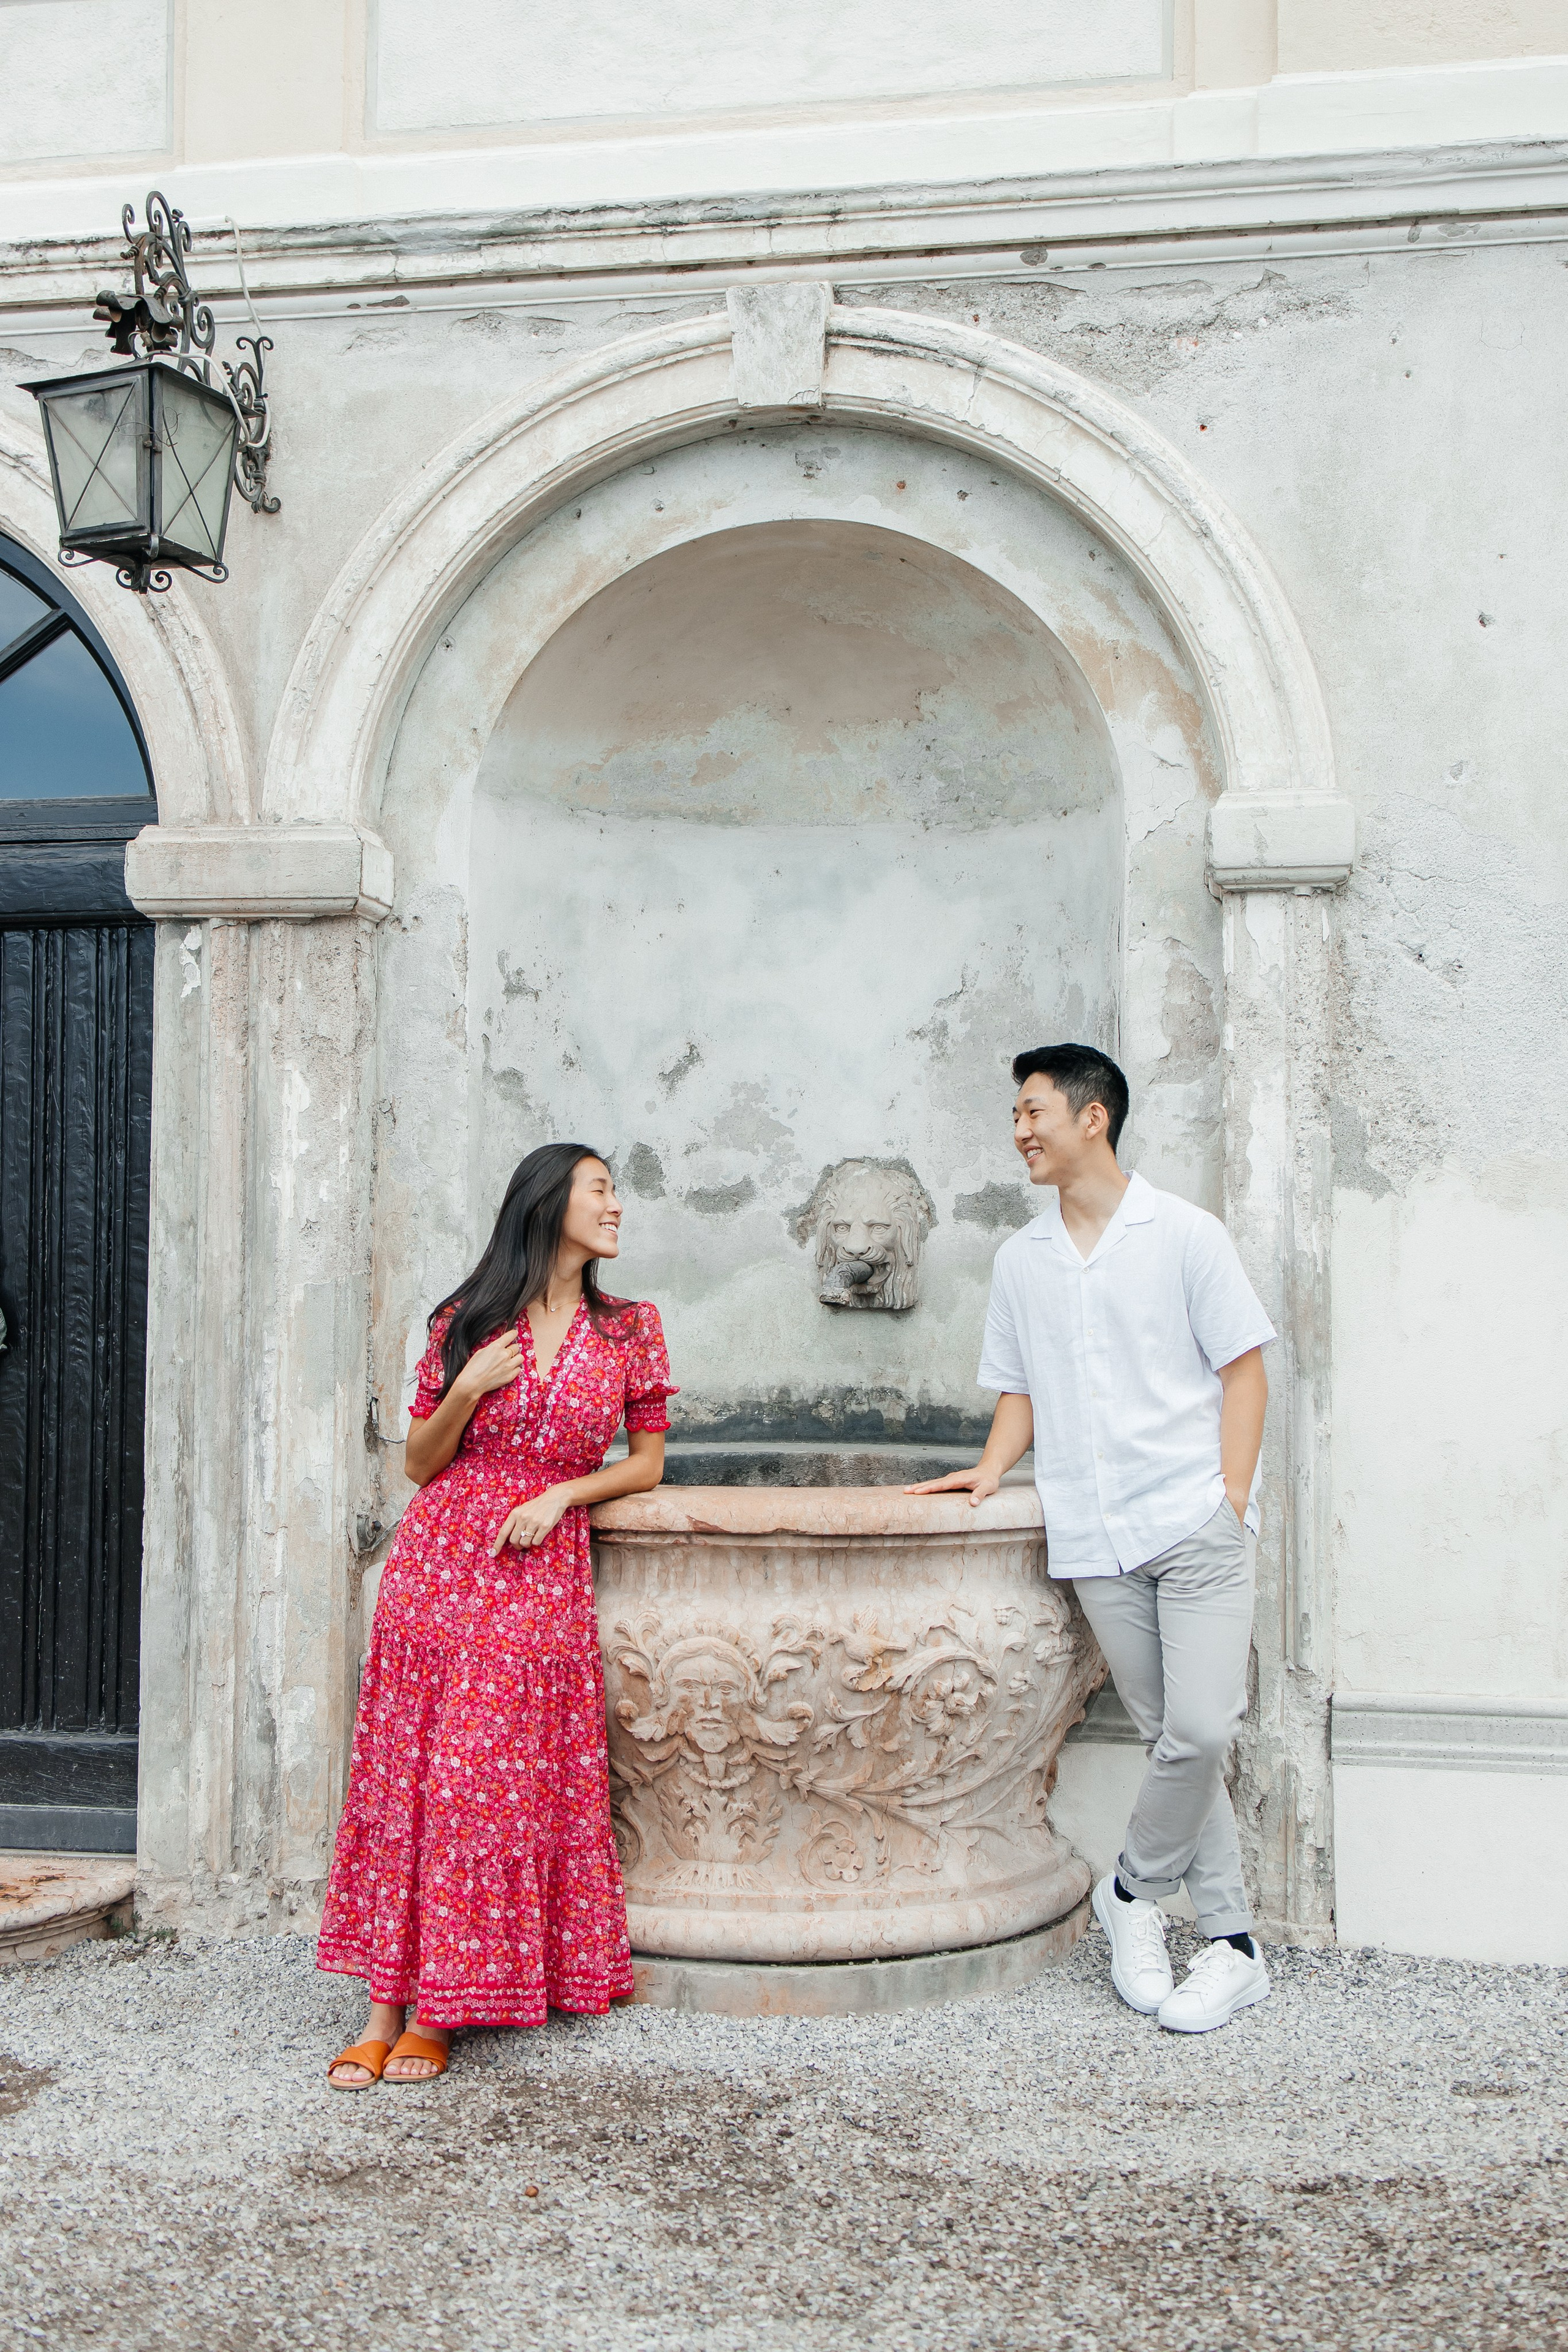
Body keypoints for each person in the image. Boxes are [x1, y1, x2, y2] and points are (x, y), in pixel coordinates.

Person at [908, 1045, 1275, 2034]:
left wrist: (1230, 1498)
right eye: (1015, 1115)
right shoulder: (1022, 1260)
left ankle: (1129, 1891)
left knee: (1201, 1729)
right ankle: (1234, 1946)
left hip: (1192, 1521)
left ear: (1092, 1117)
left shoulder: (1185, 1235)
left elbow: (1245, 1371)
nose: (1019, 1131)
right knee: (1170, 1741)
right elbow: (1019, 1389)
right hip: (1095, 1536)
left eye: (1033, 1112)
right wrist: (992, 1469)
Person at [318, 1144, 675, 2086]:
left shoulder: (629, 1329)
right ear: (549, 1203)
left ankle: (440, 2012)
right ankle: (383, 2010)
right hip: (439, 1567)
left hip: (538, 1569)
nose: (616, 1206)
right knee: (411, 1779)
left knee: (477, 1780)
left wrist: (564, 1495)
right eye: (602, 1190)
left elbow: (647, 1464)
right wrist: (470, 1384)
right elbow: (420, 1464)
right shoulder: (466, 1319)